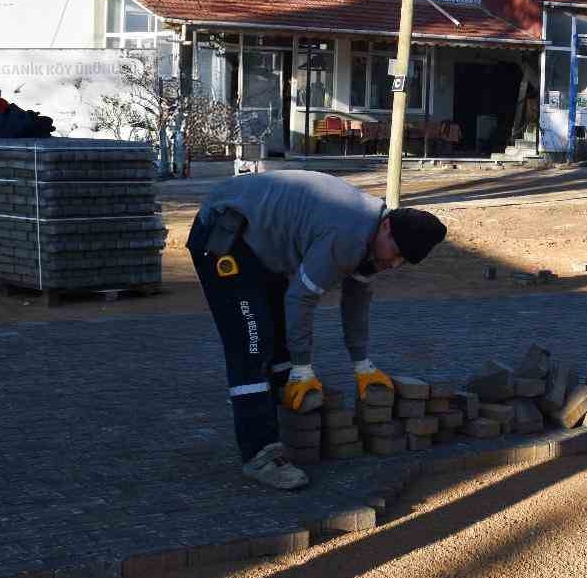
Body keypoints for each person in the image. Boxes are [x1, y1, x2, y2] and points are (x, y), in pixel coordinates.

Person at [188, 171, 448, 491]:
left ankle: (291, 422)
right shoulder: (349, 234)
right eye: (395, 253)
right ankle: (260, 454)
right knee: (252, 343)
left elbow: (356, 301)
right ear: (386, 226)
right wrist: (302, 368)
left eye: (403, 261)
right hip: (224, 234)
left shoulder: (372, 238)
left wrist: (362, 364)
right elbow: (301, 297)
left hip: (258, 244)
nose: (394, 264)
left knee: (281, 338)